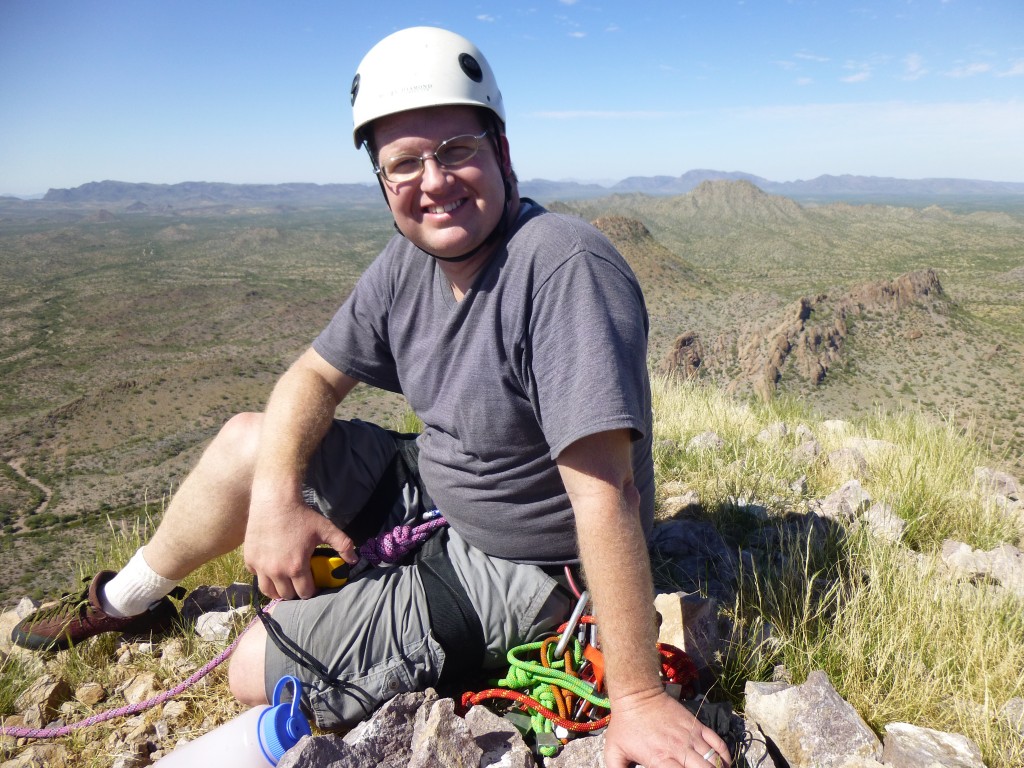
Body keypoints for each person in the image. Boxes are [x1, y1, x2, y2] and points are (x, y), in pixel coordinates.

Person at [13, 27, 731, 768]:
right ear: (383, 184)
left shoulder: (560, 268)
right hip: (440, 489)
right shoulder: (410, 263)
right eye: (404, 165)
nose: (434, 180)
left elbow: (605, 495)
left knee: (250, 666)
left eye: (456, 150)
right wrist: (274, 501)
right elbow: (312, 378)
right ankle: (126, 599)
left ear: (502, 152)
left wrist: (639, 700)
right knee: (247, 443)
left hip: (531, 562)